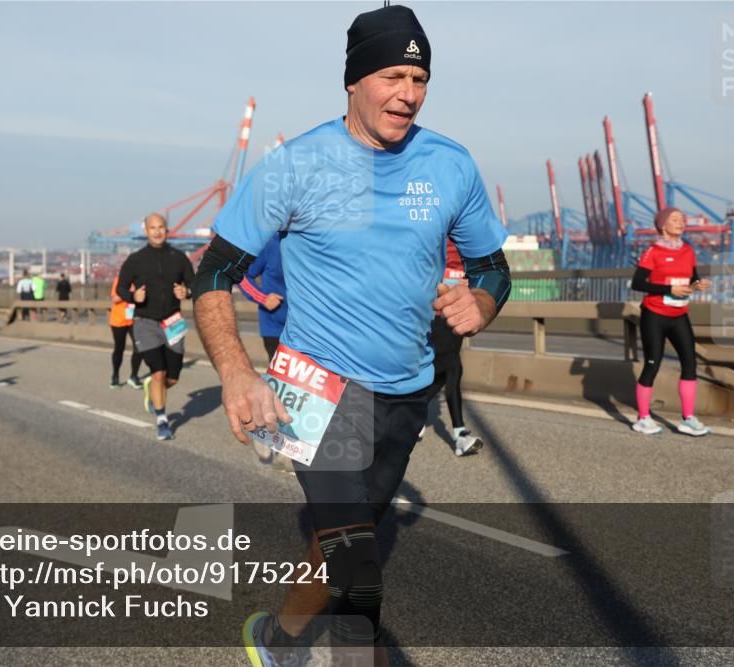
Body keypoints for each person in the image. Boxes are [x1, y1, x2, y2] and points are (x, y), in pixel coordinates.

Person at [192, 5, 511, 662]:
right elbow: (215, 271)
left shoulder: (450, 164)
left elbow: (492, 266)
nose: (409, 94)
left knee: (344, 538)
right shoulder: (297, 165)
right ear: (355, 79)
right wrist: (236, 372)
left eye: (419, 79)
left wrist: (482, 299)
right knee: (358, 561)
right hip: (321, 385)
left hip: (406, 390)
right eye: (393, 75)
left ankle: (277, 637)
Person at [631, 206, 711, 437]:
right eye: (675, 219)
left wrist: (699, 284)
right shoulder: (652, 252)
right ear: (663, 225)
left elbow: (692, 277)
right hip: (654, 315)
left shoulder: (688, 250)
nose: (681, 222)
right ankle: (643, 418)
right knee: (652, 365)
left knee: (690, 363)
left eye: (682, 219)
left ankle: (688, 419)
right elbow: (638, 283)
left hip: (679, 315)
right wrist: (669, 288)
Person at [116, 213, 195, 441]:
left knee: (172, 378)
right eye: (153, 228)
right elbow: (121, 288)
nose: (157, 231)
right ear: (146, 231)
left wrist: (186, 292)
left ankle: (153, 390)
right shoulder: (136, 259)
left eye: (161, 227)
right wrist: (133, 296)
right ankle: (162, 420)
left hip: (173, 322)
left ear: (166, 229)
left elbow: (193, 283)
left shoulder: (178, 258)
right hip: (145, 323)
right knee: (159, 372)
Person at [419, 241, 484, 456]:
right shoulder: (436, 230)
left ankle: (413, 412)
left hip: (458, 312)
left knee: (443, 372)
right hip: (437, 315)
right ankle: (460, 435)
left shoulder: (467, 237)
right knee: (453, 368)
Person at [237, 232, 286, 363]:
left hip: (309, 329)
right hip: (277, 329)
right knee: (285, 382)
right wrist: (262, 298)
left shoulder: (314, 245)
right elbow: (240, 275)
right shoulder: (271, 245)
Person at [109, 274, 144, 388]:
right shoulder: (119, 279)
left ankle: (134, 376)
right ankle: (115, 376)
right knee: (119, 348)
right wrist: (129, 292)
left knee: (139, 347)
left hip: (134, 319)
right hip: (119, 320)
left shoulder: (139, 280)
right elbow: (115, 299)